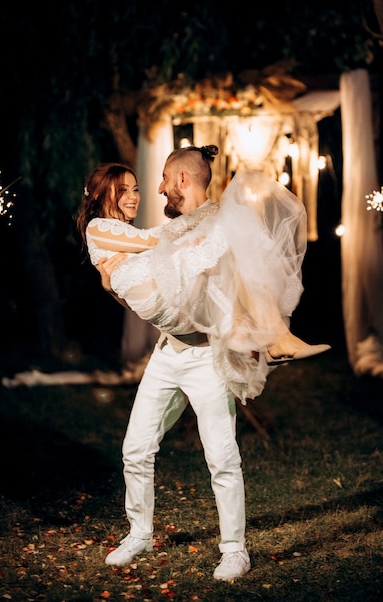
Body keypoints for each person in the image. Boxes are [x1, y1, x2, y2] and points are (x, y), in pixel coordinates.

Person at [77, 149, 330, 581]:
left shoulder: (133, 243)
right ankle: (139, 533)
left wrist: (213, 219)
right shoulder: (102, 229)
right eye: (127, 190)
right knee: (135, 449)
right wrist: (200, 225)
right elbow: (159, 240)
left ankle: (235, 550)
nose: (138, 196)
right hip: (166, 356)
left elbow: (162, 259)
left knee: (222, 457)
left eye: (140, 188)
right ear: (104, 196)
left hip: (203, 357)